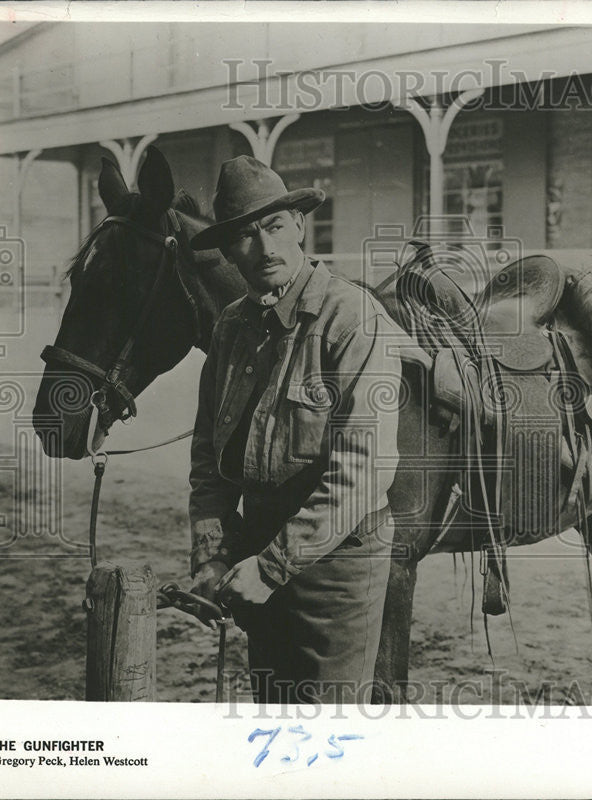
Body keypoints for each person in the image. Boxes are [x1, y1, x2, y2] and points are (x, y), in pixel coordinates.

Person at [187, 155, 402, 704]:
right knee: (274, 712)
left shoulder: (352, 318)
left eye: (276, 227)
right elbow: (208, 461)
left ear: (300, 226)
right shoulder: (232, 326)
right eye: (244, 237)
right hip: (257, 556)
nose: (265, 250)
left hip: (338, 567)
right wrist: (213, 552)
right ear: (228, 250)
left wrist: (273, 566)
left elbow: (361, 471)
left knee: (324, 729)